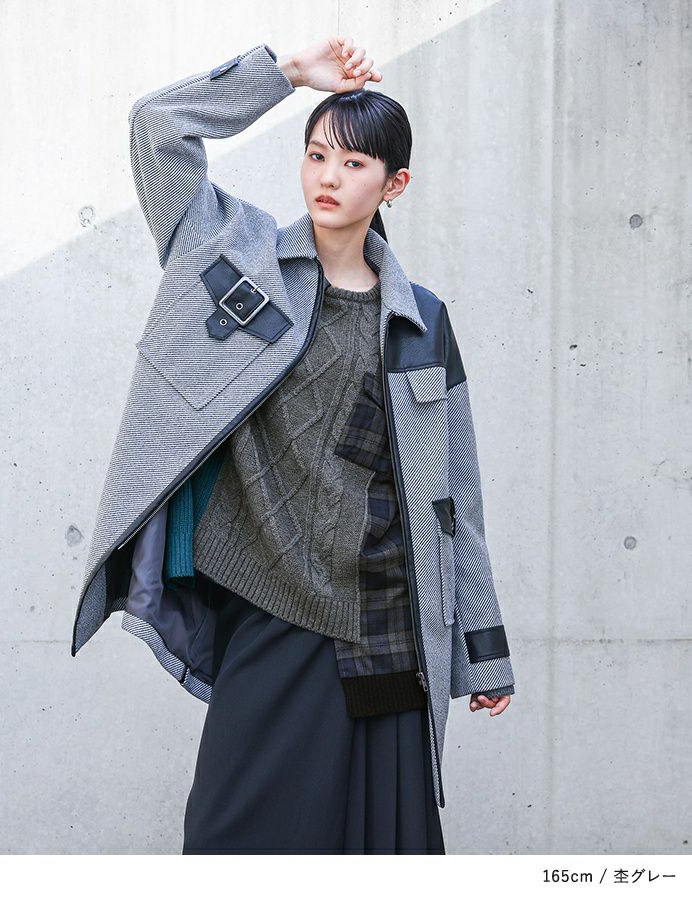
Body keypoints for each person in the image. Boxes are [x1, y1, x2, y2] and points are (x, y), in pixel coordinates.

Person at [81, 35, 516, 854]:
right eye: (317, 155)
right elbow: (157, 126)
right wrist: (284, 75)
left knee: (375, 847)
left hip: (385, 617)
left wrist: (482, 653)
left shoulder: (421, 320)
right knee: (232, 842)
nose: (328, 177)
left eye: (354, 163)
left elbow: (454, 497)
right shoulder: (233, 255)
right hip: (271, 606)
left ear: (395, 184)